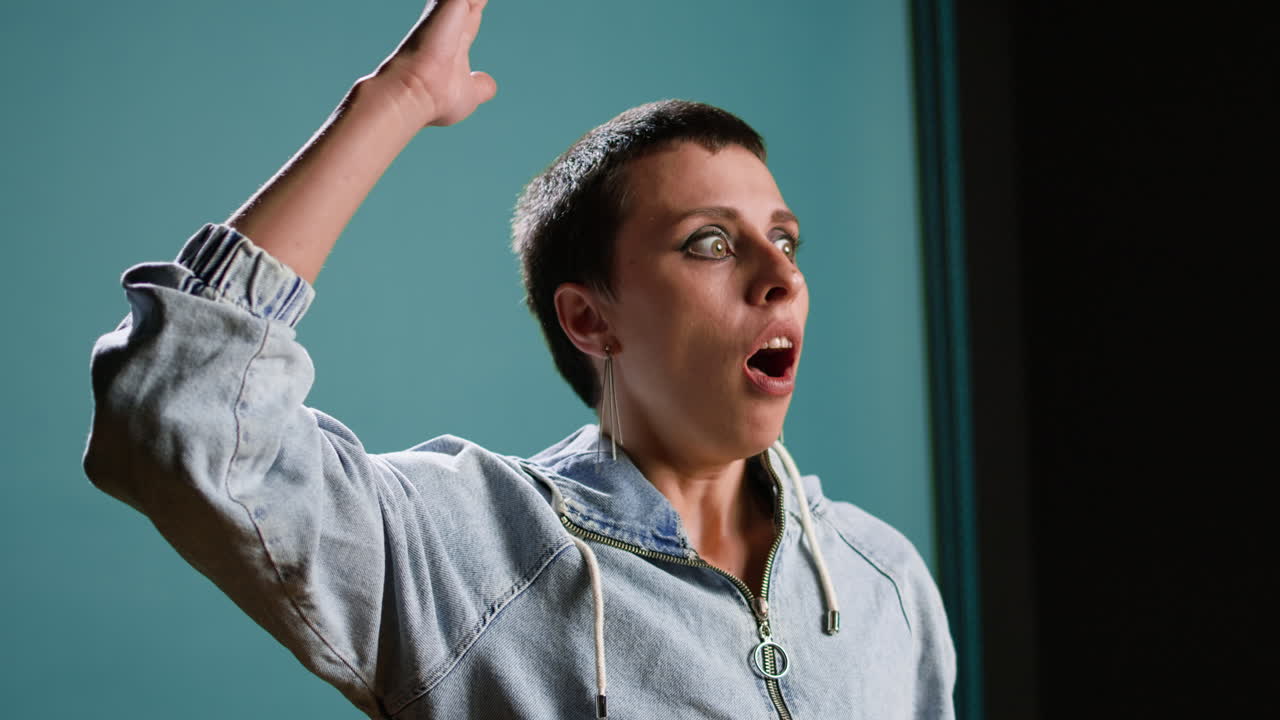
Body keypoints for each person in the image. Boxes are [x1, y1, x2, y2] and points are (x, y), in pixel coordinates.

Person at [84, 1, 956, 717]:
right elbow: (180, 409)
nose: (782, 278)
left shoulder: (881, 576)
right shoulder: (473, 554)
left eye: (785, 239)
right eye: (711, 242)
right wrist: (398, 98)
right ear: (590, 319)